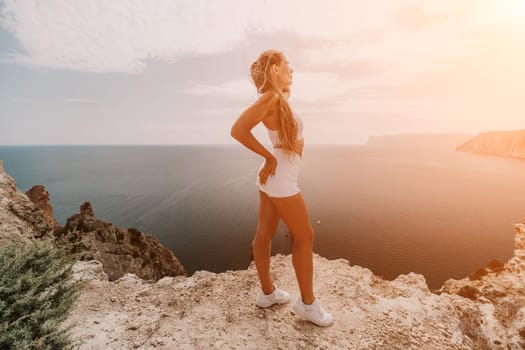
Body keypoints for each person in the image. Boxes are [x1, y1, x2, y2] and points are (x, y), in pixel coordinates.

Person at [230, 49, 333, 327]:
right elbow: (238, 129)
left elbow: (282, 118)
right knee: (305, 236)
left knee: (264, 234)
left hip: (274, 179)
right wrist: (268, 157)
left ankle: (267, 294)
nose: (292, 69)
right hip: (282, 180)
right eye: (287, 64)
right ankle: (308, 305)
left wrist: (283, 87)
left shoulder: (277, 98)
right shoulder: (271, 98)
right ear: (274, 68)